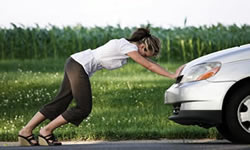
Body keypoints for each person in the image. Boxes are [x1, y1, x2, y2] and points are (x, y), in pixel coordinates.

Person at [18, 28, 185, 146]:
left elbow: (149, 63)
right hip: (79, 65)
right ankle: (45, 131)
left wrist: (169, 72)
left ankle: (26, 131)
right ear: (142, 46)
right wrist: (171, 75)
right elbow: (149, 66)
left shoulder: (126, 46)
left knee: (61, 102)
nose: (143, 57)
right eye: (145, 53)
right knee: (83, 108)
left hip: (76, 63)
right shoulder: (127, 46)